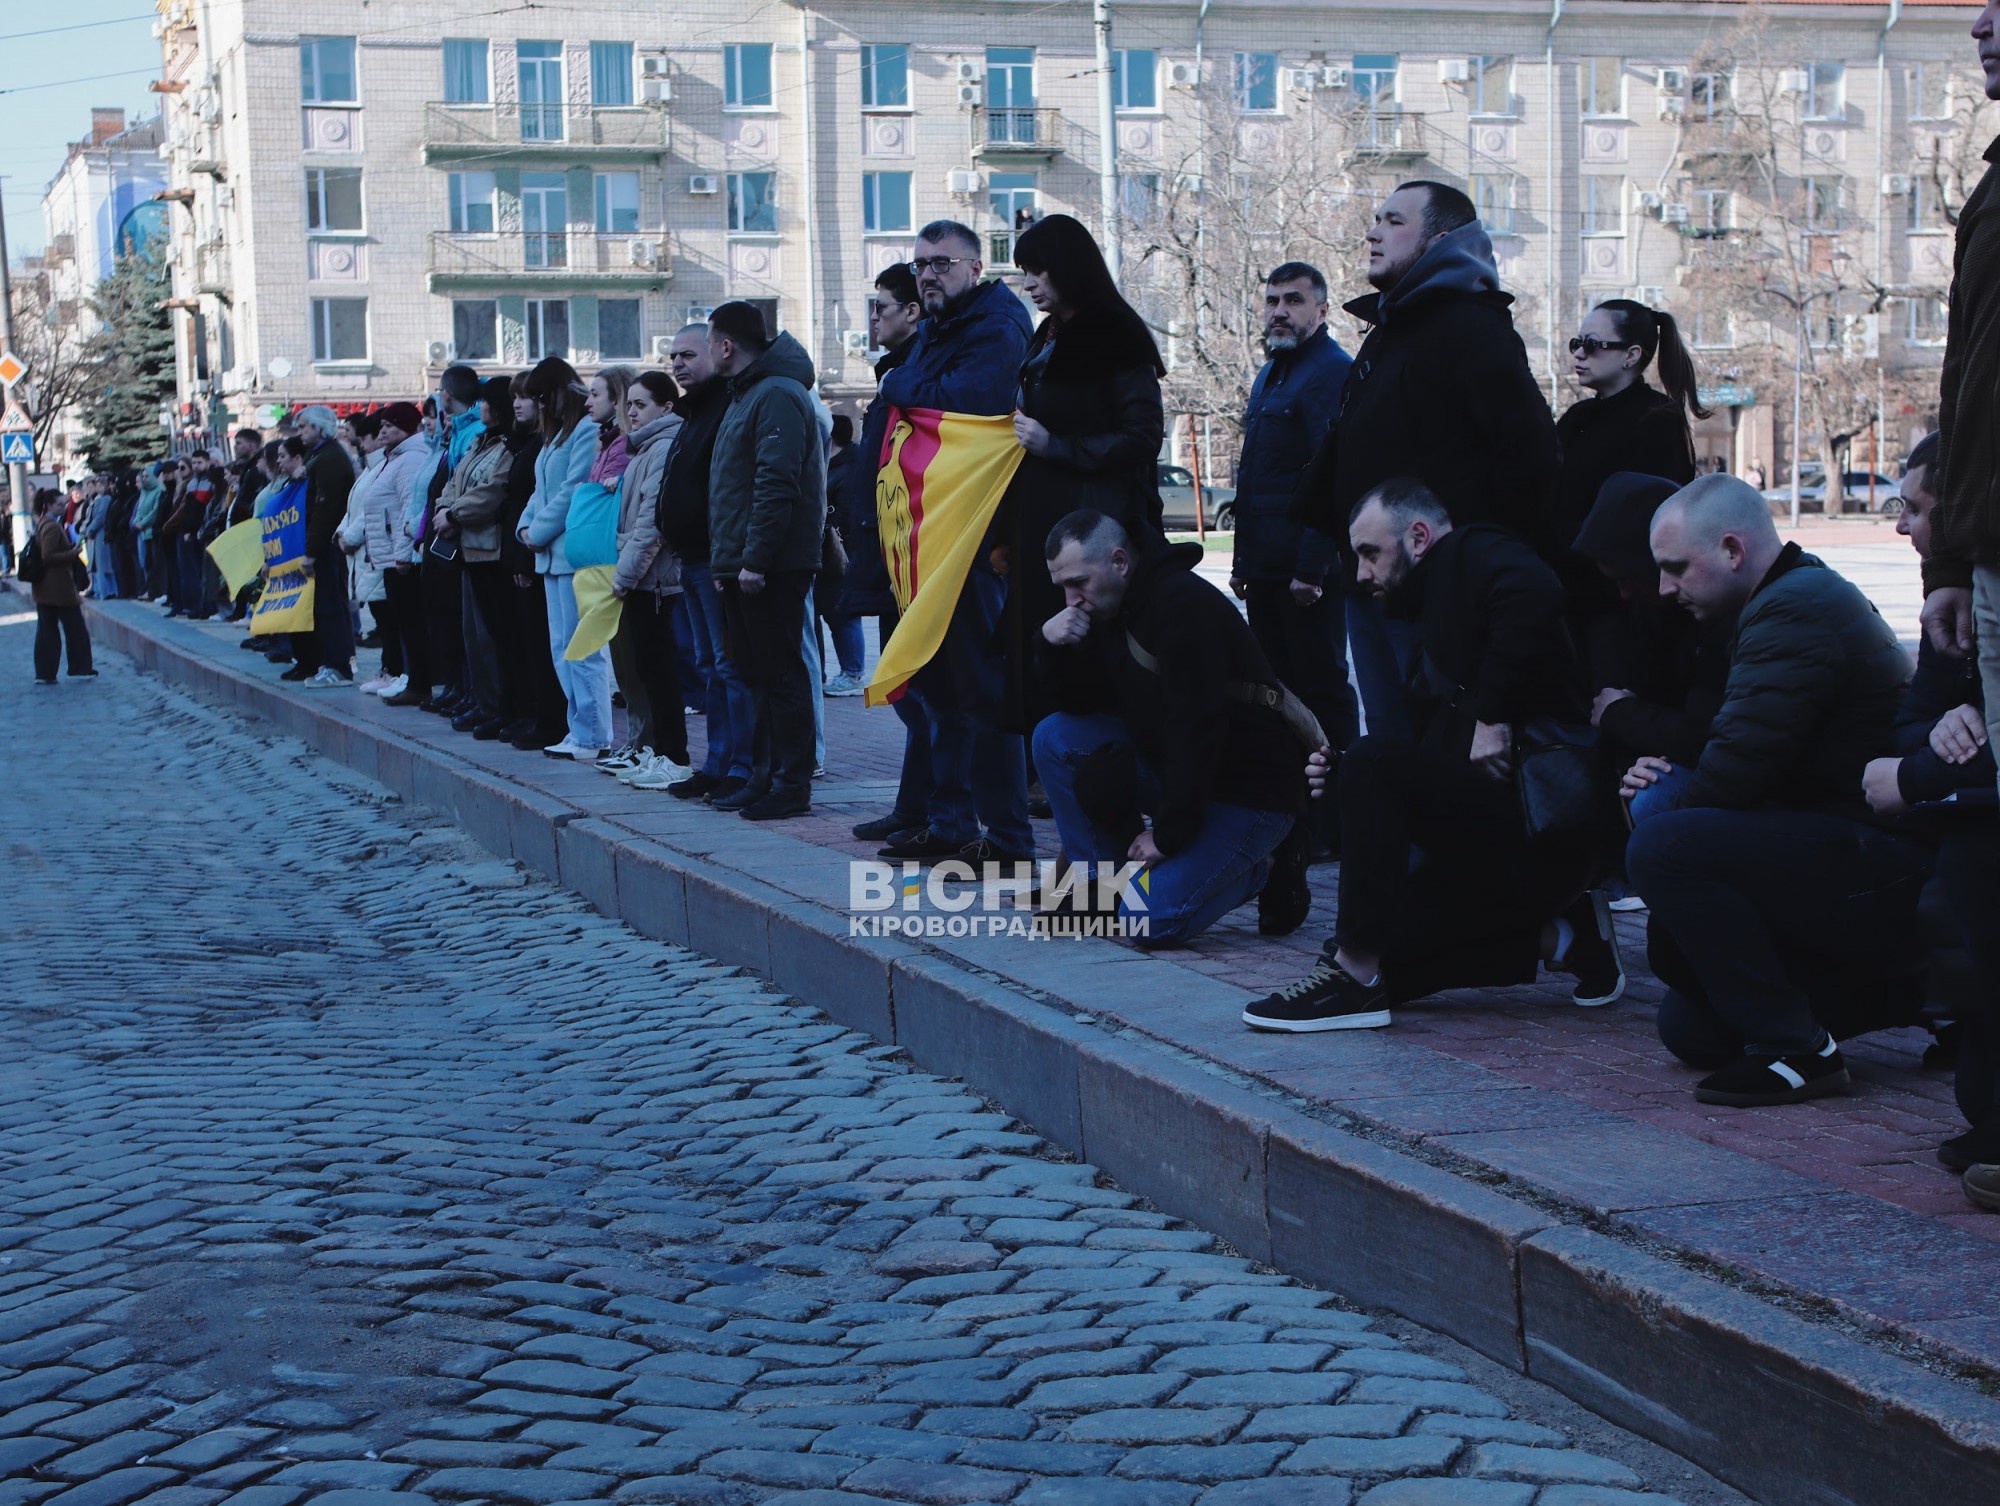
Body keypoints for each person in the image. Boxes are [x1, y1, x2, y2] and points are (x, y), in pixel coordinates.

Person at [1244, 478, 1617, 1033]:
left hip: (1543, 837)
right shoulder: (1433, 621)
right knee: (1387, 959)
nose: (1361, 573)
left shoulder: (1471, 552)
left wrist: (1492, 714)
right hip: (1493, 854)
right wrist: (1343, 779)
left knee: (1362, 946)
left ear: (1418, 537)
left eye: (1370, 553)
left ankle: (1353, 975)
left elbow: (1535, 591)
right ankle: (1566, 938)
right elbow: (1426, 779)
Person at [1623, 476, 1924, 1106]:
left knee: (1663, 843)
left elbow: (1734, 774)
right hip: (1849, 841)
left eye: (1675, 568)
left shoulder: (1793, 608)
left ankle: (1802, 1051)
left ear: (1732, 550)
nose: (1665, 589)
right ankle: (1918, 994)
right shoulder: (1784, 597)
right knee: (1691, 1029)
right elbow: (1742, 752)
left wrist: (1663, 854)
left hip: (1882, 856)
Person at [1296, 180, 1559, 739]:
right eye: (1377, 219)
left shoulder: (1470, 326)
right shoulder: (1393, 328)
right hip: (1372, 583)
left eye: (1394, 221)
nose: (1373, 233)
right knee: (1390, 747)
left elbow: (1530, 455)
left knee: (1435, 749)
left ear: (1441, 240)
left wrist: (1476, 569)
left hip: (1436, 597)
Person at [1035, 511, 1308, 944]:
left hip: (1251, 792)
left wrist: (1167, 836)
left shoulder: (1181, 604)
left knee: (1146, 920)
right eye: (1062, 587)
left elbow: (1197, 728)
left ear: (1119, 561)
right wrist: (1051, 646)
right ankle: (1100, 889)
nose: (1072, 599)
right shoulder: (1112, 605)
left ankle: (1266, 865)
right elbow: (1081, 704)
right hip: (1186, 774)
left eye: (1079, 582)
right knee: (1055, 737)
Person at [875, 219, 1036, 864]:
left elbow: (967, 404)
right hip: (933, 534)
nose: (928, 274)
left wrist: (896, 385)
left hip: (974, 536)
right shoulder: (944, 328)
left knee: (980, 694)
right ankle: (950, 826)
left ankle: (1007, 839)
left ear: (975, 267)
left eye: (942, 263)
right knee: (939, 692)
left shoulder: (996, 326)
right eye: (921, 264)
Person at [1860, 433, 1998, 1168]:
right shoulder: (1954, 605)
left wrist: (1922, 774)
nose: (1900, 526)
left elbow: (1900, 775)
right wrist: (1942, 737)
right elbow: (1908, 729)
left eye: (1914, 508)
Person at [1004, 213, 1168, 723]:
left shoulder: (1117, 334)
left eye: (1038, 270)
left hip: (1096, 526)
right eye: (1024, 271)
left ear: (1068, 268)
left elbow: (1143, 437)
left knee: (1089, 656)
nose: (1028, 284)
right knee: (1045, 649)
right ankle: (1047, 754)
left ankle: (1084, 758)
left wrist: (1056, 445)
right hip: (1044, 522)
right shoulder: (1047, 335)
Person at [1228, 261, 1360, 766]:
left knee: (1322, 689)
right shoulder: (1270, 374)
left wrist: (1312, 569)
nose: (1279, 311)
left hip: (1305, 577)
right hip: (1266, 571)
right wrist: (1242, 564)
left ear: (1321, 311)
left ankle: (1341, 796)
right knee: (1273, 692)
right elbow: (1254, 478)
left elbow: (1332, 475)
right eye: (1272, 301)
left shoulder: (1331, 371)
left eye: (1293, 300)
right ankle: (1293, 801)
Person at [705, 300, 825, 820]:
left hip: (772, 565)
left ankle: (790, 785)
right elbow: (732, 487)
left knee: (781, 675)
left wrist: (754, 559)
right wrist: (726, 564)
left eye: (708, 342)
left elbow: (776, 482)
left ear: (725, 345)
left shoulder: (775, 393)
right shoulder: (747, 393)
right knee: (755, 674)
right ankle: (762, 776)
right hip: (742, 564)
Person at [842, 263, 936, 845]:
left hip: (913, 551)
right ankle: (916, 806)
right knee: (907, 691)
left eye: (881, 307)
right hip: (888, 551)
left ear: (913, 312)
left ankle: (932, 811)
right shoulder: (896, 373)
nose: (873, 318)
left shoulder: (920, 373)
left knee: (920, 692)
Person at [657, 324, 755, 802]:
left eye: (688, 354)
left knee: (730, 665)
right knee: (709, 664)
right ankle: (717, 762)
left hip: (717, 560)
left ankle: (742, 766)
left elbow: (732, 488)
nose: (678, 363)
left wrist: (728, 557)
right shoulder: (692, 411)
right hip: (690, 558)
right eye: (673, 356)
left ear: (718, 352)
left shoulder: (726, 407)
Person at [1552, 300, 1703, 559]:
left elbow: (1650, 518)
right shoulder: (1578, 416)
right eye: (1577, 343)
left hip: (1616, 575)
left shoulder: (1658, 419)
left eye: (1591, 344)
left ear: (1631, 355)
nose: (1578, 353)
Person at [607, 370, 693, 788]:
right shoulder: (642, 448)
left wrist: (624, 575)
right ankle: (654, 751)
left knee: (659, 671)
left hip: (654, 580)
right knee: (644, 668)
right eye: (630, 405)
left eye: (641, 405)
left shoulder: (663, 447)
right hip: (641, 577)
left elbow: (650, 522)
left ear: (666, 407)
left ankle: (673, 755)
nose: (632, 412)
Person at [516, 357, 605, 759]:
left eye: (541, 396)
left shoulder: (584, 430)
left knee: (581, 647)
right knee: (560, 647)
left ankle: (593, 732)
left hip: (571, 552)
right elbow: (541, 490)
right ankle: (578, 727)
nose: (537, 404)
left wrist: (536, 531)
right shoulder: (555, 437)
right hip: (550, 555)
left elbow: (573, 488)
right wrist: (526, 527)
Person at [433, 389, 524, 738]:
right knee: (473, 635)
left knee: (493, 637)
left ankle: (501, 706)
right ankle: (484, 703)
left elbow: (491, 491)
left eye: (486, 401)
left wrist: (453, 515)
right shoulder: (480, 442)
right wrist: (445, 509)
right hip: (468, 548)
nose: (481, 407)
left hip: (491, 548)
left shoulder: (506, 446)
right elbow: (455, 482)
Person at [495, 374, 563, 749]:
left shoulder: (547, 442)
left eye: (526, 397)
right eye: (515, 398)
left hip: (537, 552)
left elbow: (548, 498)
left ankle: (549, 718)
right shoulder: (528, 443)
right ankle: (533, 714)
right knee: (527, 641)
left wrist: (526, 549)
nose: (518, 404)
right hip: (523, 547)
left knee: (543, 641)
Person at [364, 404, 439, 704]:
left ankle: (419, 682)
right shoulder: (394, 457)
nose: (382, 431)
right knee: (404, 623)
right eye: (382, 425)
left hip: (402, 558)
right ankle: (411, 677)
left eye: (390, 425)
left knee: (412, 623)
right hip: (391, 555)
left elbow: (410, 507)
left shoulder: (409, 459)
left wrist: (404, 554)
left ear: (407, 427)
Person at [818, 413, 868, 697]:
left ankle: (853, 672)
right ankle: (838, 672)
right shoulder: (828, 463)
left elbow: (847, 512)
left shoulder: (849, 467)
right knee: (829, 612)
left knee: (841, 613)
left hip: (839, 551)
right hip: (823, 550)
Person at [28, 489, 95, 684]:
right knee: (75, 629)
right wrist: (73, 553)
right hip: (58, 587)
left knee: (47, 630)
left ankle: (45, 673)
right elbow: (48, 556)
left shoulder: (44, 523)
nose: (63, 507)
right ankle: (80, 668)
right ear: (49, 505)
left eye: (64, 504)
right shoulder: (51, 527)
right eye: (59, 504)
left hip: (47, 588)